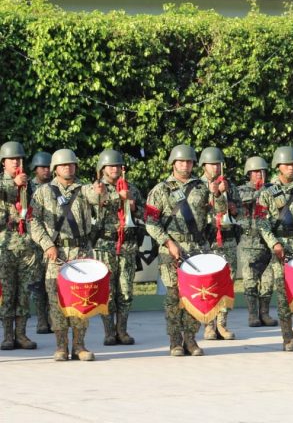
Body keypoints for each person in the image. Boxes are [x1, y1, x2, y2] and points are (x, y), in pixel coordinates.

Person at [144, 144, 228, 356]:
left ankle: (190, 339)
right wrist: (167, 242)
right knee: (173, 296)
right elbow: (151, 222)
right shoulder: (160, 190)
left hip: (196, 249)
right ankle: (175, 341)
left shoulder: (202, 187)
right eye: (181, 161)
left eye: (189, 161)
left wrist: (218, 195)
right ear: (173, 163)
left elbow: (220, 213)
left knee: (194, 296)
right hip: (170, 250)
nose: (185, 164)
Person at [30, 149, 100, 361]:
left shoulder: (85, 189)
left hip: (80, 253)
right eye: (63, 165)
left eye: (71, 165)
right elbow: (32, 221)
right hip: (56, 254)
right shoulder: (43, 192)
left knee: (81, 299)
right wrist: (47, 244)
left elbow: (98, 198)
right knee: (57, 301)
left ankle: (79, 346)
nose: (68, 168)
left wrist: (101, 192)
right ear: (55, 169)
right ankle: (61, 346)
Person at [88, 149, 145, 346]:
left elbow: (146, 213)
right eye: (111, 166)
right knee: (108, 292)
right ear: (103, 168)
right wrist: (116, 199)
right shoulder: (96, 188)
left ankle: (123, 330)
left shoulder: (132, 188)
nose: (115, 169)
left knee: (126, 291)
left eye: (118, 166)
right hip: (104, 245)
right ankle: (109, 332)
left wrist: (134, 206)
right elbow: (93, 208)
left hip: (127, 245)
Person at [259, 146, 293, 351]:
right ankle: (287, 337)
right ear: (278, 166)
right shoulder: (267, 192)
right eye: (287, 164)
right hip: (280, 249)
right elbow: (261, 222)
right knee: (283, 295)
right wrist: (274, 243)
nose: (291, 168)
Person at [198, 147, 240, 341]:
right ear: (204, 166)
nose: (215, 168)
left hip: (228, 238)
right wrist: (213, 195)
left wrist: (233, 207)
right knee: (208, 282)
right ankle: (209, 324)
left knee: (226, 281)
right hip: (208, 240)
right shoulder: (197, 186)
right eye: (211, 164)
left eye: (218, 164)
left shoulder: (229, 186)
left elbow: (240, 210)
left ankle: (222, 324)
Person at [0, 141, 38, 351]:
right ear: (3, 162)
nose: (16, 162)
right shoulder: (4, 182)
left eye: (19, 159)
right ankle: (7, 335)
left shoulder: (28, 183)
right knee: (7, 291)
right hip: (5, 244)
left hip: (25, 243)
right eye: (12, 159)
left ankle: (21, 334)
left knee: (24, 291)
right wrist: (14, 184)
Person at [237, 156, 281, 327]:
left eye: (262, 171)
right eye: (255, 172)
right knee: (250, 281)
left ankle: (265, 313)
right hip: (250, 242)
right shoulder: (241, 191)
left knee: (268, 282)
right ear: (248, 173)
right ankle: (252, 315)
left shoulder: (271, 190)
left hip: (268, 241)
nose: (259, 175)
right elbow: (243, 202)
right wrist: (260, 192)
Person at [28, 151, 53, 334]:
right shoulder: (27, 186)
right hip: (35, 241)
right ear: (35, 169)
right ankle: (42, 321)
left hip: (53, 239)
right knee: (38, 284)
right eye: (42, 167)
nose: (46, 171)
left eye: (48, 167)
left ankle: (53, 319)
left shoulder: (55, 187)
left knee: (52, 283)